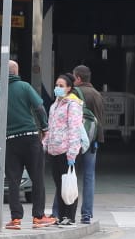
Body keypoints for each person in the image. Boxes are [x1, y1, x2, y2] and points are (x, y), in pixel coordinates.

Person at [0, 60, 55, 230]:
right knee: (37, 178)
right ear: (16, 72)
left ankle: (15, 219)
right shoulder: (24, 87)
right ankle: (38, 217)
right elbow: (39, 107)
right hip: (30, 138)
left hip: (9, 141)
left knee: (13, 180)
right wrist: (44, 126)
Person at [44, 72, 84, 225]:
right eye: (56, 85)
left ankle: (70, 216)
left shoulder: (72, 105)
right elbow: (50, 127)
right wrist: (45, 144)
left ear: (69, 88)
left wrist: (72, 153)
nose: (57, 88)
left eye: (61, 86)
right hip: (54, 150)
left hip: (67, 151)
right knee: (59, 185)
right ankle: (60, 215)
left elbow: (74, 129)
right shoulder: (54, 105)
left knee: (68, 183)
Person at [72, 64, 106, 223]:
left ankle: (64, 211)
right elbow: (99, 120)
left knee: (69, 175)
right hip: (91, 141)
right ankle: (86, 214)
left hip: (74, 141)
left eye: (73, 77)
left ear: (78, 78)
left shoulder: (73, 93)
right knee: (89, 177)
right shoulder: (97, 94)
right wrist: (98, 140)